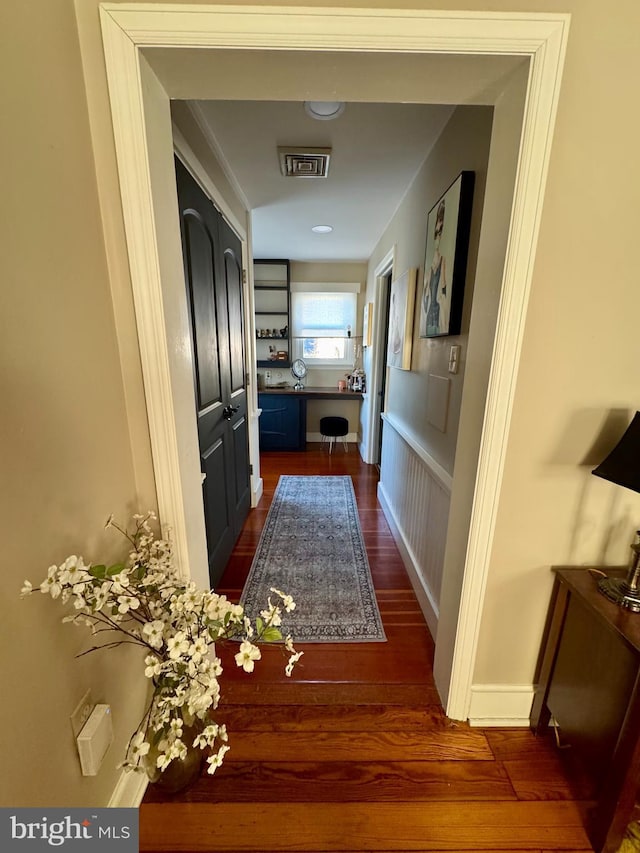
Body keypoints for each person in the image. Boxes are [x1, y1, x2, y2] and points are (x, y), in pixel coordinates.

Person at [423, 199, 449, 336]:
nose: (438, 237)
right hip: (429, 319)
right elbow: (424, 301)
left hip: (438, 317)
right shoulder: (428, 271)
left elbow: (444, 292)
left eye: (440, 232)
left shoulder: (443, 262)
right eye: (436, 232)